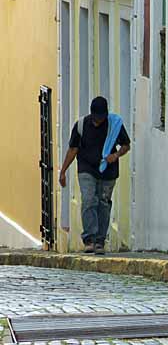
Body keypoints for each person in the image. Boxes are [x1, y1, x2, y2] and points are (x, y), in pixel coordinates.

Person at [58, 96, 131, 254]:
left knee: (104, 204)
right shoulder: (81, 125)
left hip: (108, 171)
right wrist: (63, 171)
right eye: (96, 118)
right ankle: (89, 239)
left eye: (101, 118)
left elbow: (126, 145)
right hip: (86, 168)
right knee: (89, 199)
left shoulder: (114, 125)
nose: (99, 121)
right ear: (91, 114)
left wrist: (116, 155)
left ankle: (100, 241)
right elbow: (73, 149)